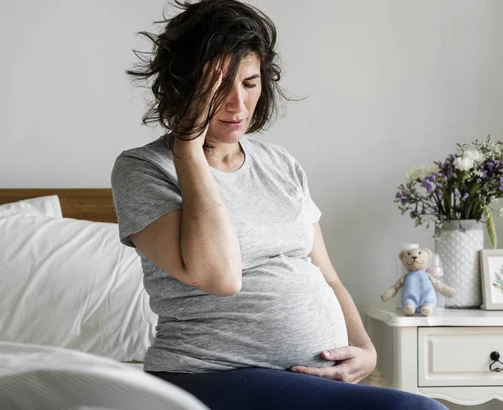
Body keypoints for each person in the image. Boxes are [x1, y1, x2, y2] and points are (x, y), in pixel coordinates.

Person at [111, 1, 447, 409]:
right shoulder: (143, 169)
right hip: (208, 375)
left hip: (307, 382)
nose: (237, 104)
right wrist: (188, 148)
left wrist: (366, 349)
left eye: (250, 83)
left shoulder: (280, 164)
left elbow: (328, 277)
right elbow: (220, 278)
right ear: (184, 86)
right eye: (218, 87)